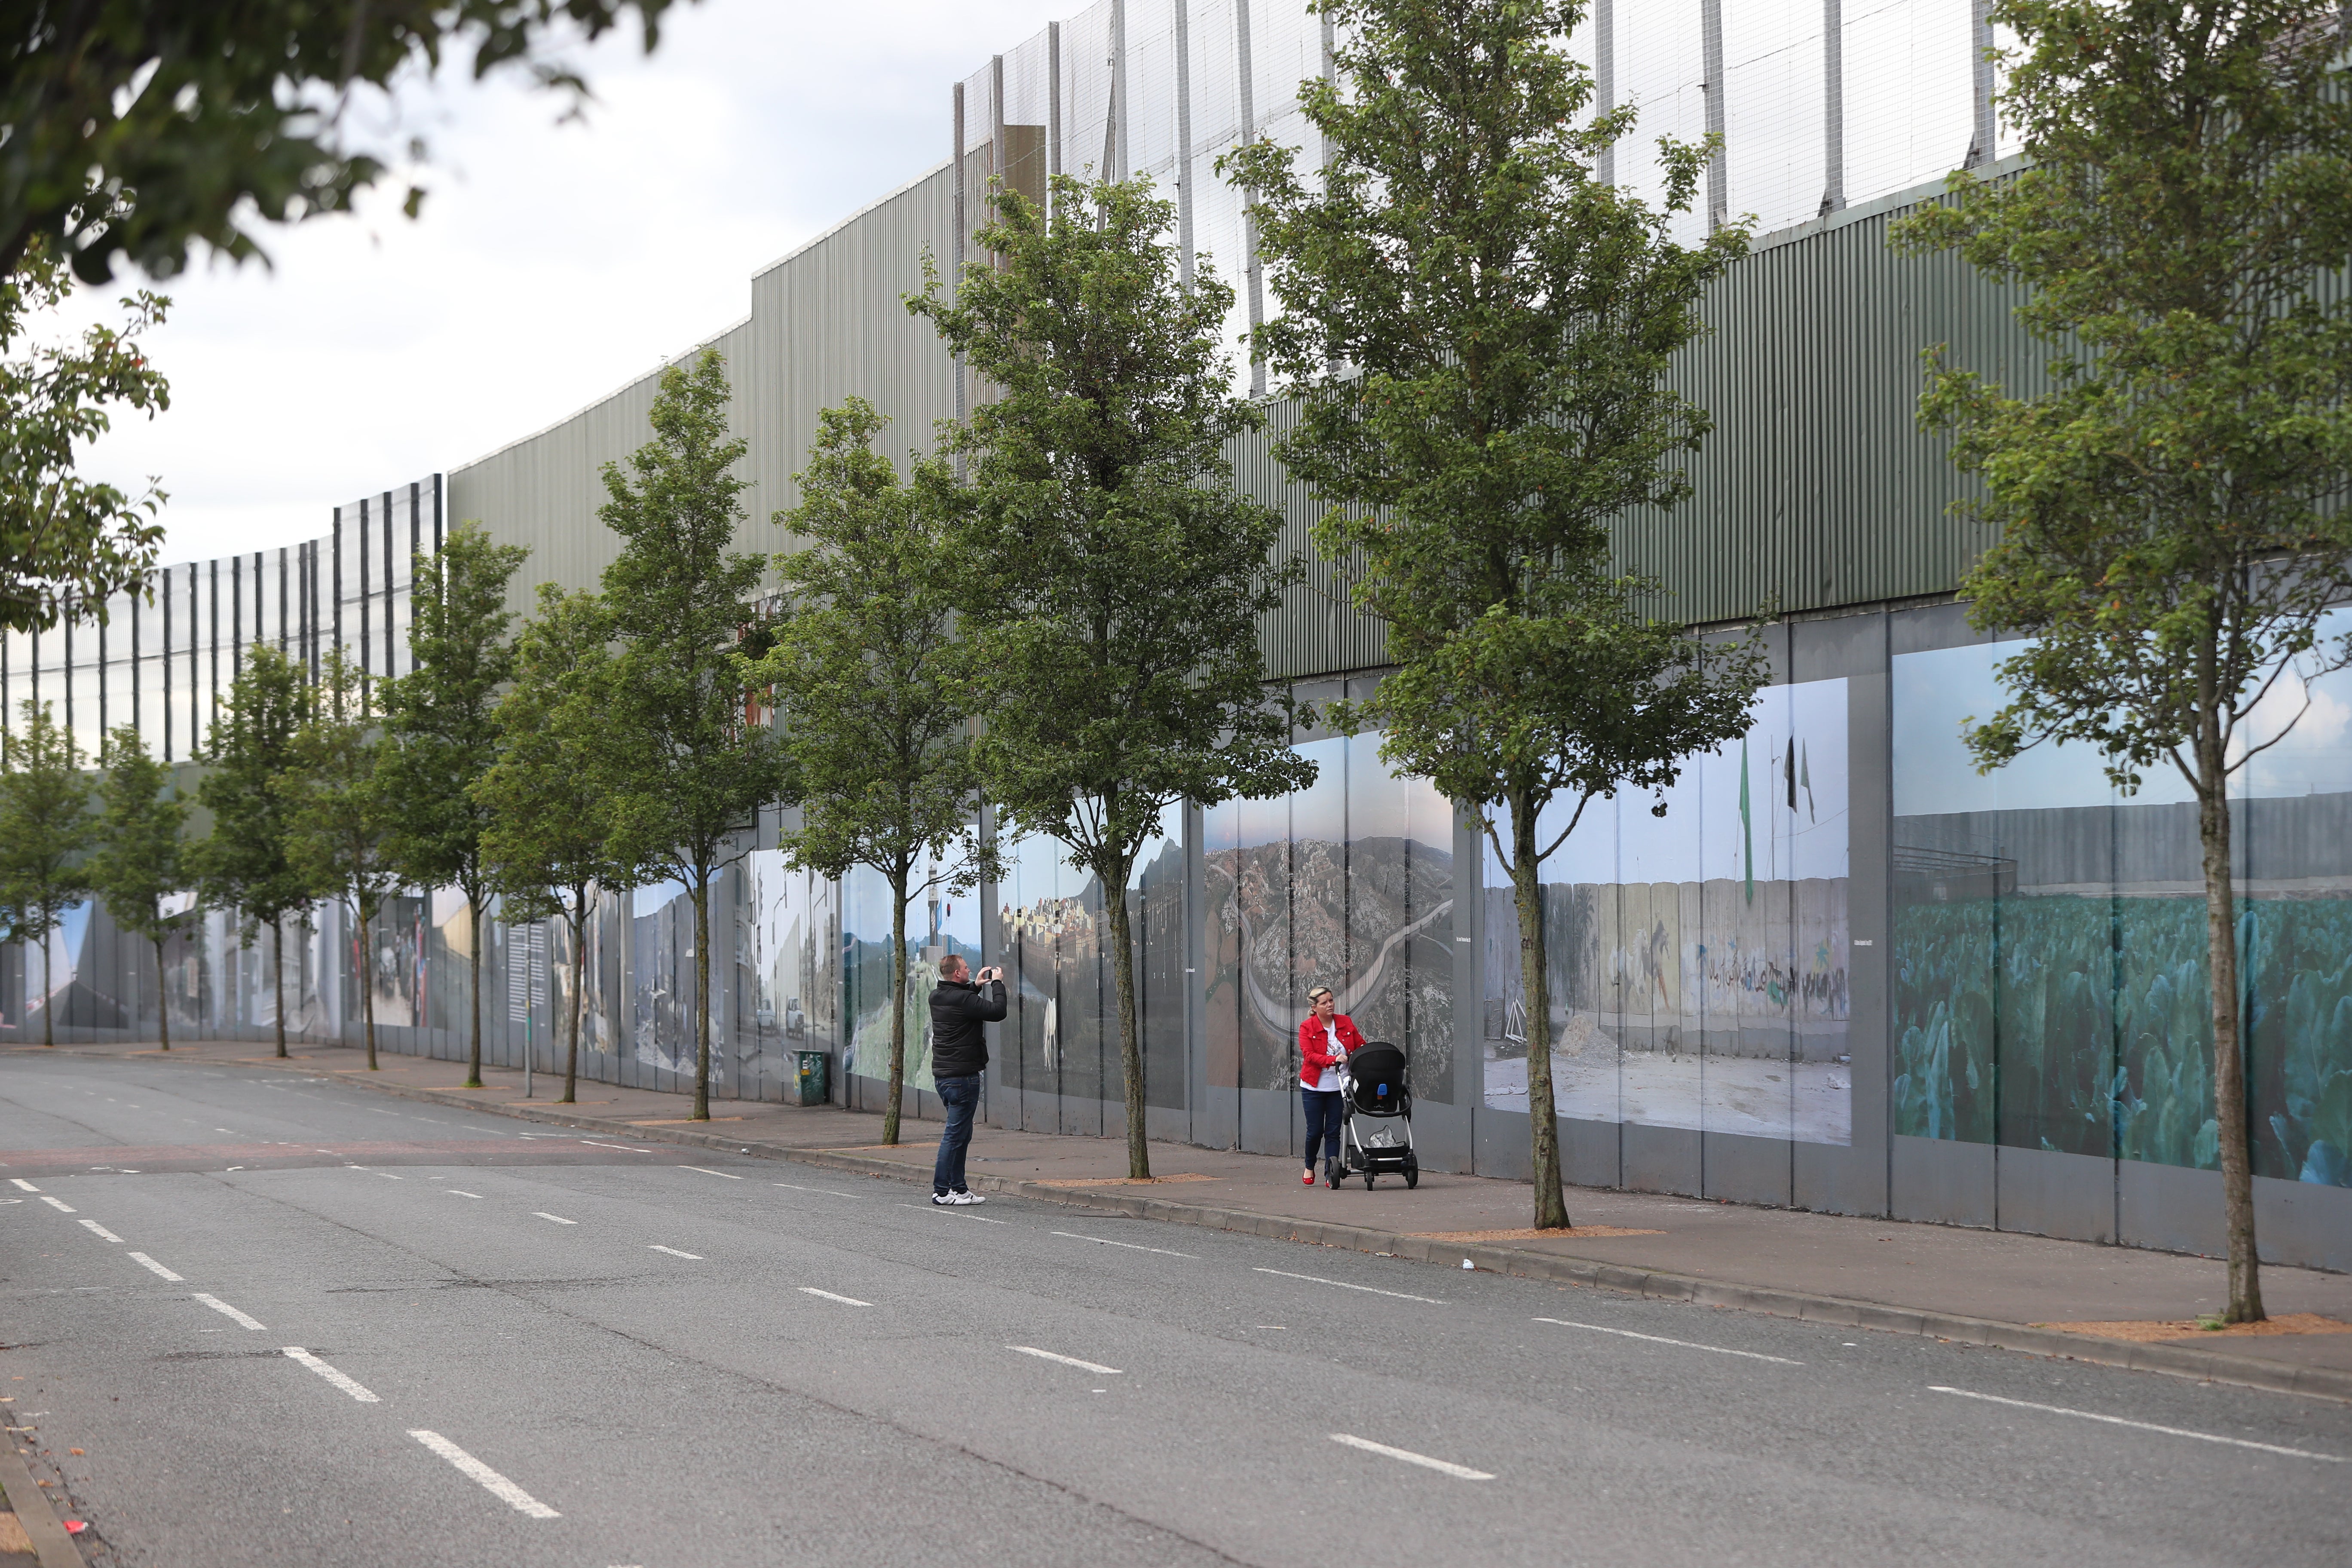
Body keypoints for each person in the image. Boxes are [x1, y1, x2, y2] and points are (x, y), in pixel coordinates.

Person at [928, 953, 1006, 1206]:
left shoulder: (937, 996)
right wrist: (997, 983)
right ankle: (941, 1192)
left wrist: (976, 985)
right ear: (957, 974)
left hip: (944, 1077)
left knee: (962, 1133)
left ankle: (959, 1189)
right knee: (955, 1135)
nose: (969, 969)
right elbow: (998, 1012)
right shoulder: (964, 999)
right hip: (963, 1078)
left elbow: (960, 999)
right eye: (966, 968)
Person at [1297, 984, 1366, 1188]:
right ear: (1315, 1007)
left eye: (1331, 1000)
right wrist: (1332, 1059)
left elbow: (1360, 1045)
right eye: (1324, 1002)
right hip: (1314, 1088)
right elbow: (1309, 1056)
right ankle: (1310, 1165)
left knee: (1333, 1131)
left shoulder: (1345, 1022)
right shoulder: (1307, 1027)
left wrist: (1363, 1056)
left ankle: (1331, 1172)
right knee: (1315, 1131)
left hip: (1340, 1086)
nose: (1330, 1005)